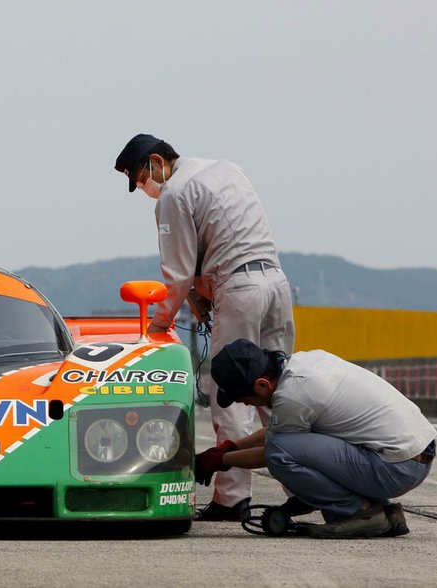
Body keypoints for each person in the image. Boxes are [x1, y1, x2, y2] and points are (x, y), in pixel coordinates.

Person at [114, 133, 294, 521]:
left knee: (229, 388)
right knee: (280, 388)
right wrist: (201, 289)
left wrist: (160, 323)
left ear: (157, 161)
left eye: (141, 178)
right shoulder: (228, 169)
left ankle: (231, 498)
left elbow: (176, 274)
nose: (145, 187)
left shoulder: (174, 194)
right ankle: (301, 486)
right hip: (276, 283)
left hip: (238, 289)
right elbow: (223, 238)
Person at [195, 339, 436, 538]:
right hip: (412, 455)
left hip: (398, 467)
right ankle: (386, 510)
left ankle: (361, 512)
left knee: (279, 453)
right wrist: (231, 447)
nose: (246, 404)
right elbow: (278, 433)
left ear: (261, 385)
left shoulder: (293, 396)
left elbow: (273, 450)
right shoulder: (303, 364)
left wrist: (220, 460)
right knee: (290, 444)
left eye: (244, 399)